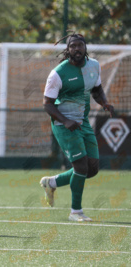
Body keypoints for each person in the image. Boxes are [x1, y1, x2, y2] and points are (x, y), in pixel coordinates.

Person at [40, 33, 115, 222]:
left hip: (83, 123)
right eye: (73, 46)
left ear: (85, 48)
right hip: (63, 124)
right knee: (80, 166)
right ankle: (76, 212)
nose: (77, 49)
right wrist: (65, 120)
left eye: (80, 45)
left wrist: (104, 103)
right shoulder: (58, 73)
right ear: (68, 49)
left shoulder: (94, 66)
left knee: (92, 169)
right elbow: (47, 104)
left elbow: (96, 90)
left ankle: (52, 182)